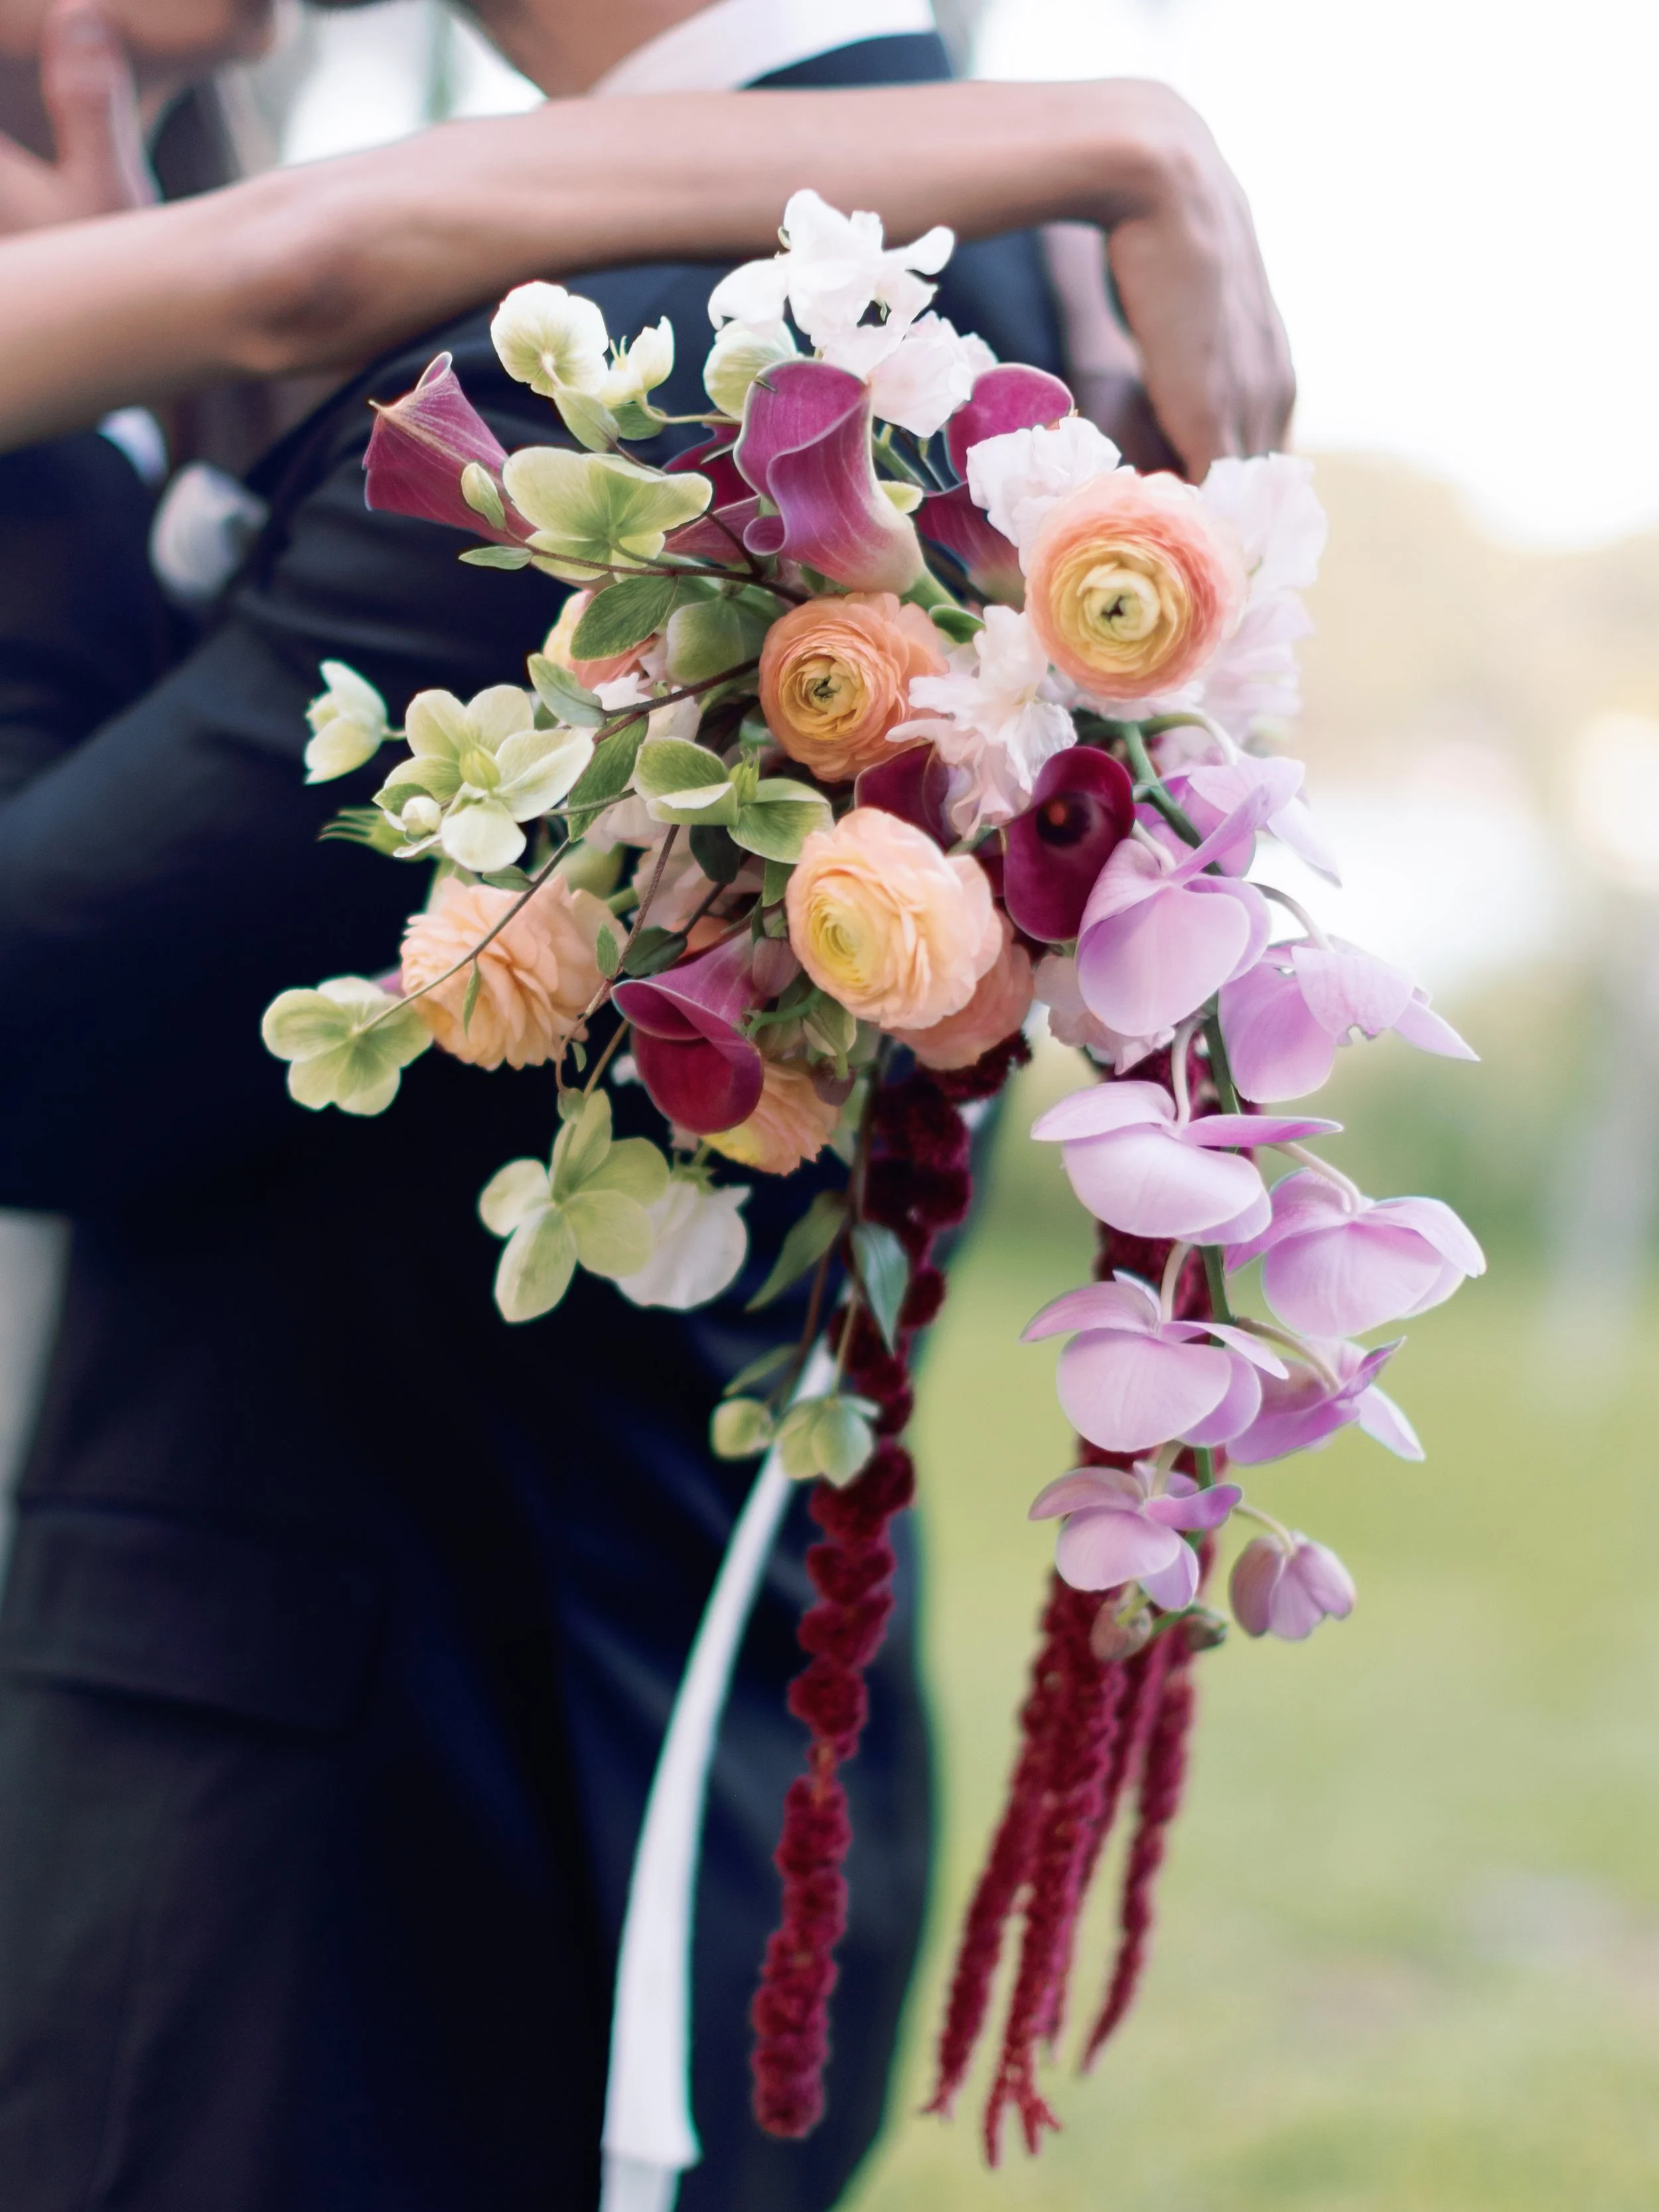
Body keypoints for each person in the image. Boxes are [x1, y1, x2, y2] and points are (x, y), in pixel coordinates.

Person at [0, 5, 1293, 2209]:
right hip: (610, 1775)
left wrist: (59, 460)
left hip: (366, 1901)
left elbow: (38, 1040)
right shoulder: (933, 291)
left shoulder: (658, 350)